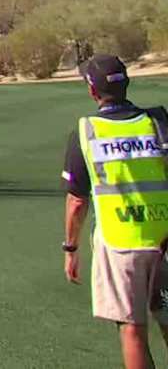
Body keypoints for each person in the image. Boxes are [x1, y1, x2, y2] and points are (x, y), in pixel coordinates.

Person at [62, 54, 168, 369]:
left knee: (132, 331)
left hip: (121, 244)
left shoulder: (87, 131)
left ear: (93, 91)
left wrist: (71, 248)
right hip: (164, 243)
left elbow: (77, 201)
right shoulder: (159, 122)